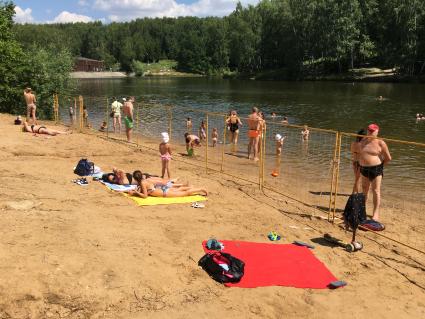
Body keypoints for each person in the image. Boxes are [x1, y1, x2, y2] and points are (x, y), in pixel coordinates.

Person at [358, 124, 391, 221]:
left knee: (376, 191)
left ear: (377, 132)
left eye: (372, 131)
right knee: (364, 190)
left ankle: (375, 214)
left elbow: (388, 158)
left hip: (376, 169)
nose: (370, 132)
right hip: (364, 168)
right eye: (369, 130)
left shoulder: (381, 143)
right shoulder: (363, 141)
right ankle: (362, 210)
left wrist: (380, 167)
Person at [127, 170, 207, 198]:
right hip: (162, 189)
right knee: (178, 190)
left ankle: (201, 189)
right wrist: (135, 191)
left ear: (135, 178)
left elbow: (145, 196)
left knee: (183, 194)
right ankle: (190, 187)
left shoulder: (142, 183)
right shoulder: (145, 180)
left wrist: (136, 192)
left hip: (162, 192)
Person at [350, 129, 366, 193]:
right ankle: (354, 193)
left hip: (354, 161)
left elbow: (352, 151)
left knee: (357, 179)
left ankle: (354, 192)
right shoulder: (362, 145)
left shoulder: (353, 143)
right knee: (358, 179)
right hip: (360, 163)